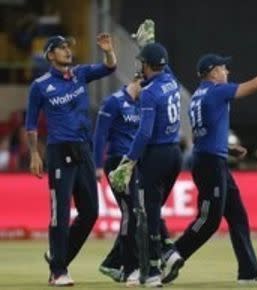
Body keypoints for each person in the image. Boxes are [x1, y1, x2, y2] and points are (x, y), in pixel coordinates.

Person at [161, 43, 257, 285]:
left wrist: (227, 147)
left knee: (238, 216)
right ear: (212, 72)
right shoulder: (216, 91)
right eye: (223, 68)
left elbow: (203, 131)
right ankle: (173, 253)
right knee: (210, 220)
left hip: (210, 158)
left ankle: (249, 272)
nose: (227, 72)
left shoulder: (198, 95)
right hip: (210, 163)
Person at [25, 33, 117, 286]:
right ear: (50, 55)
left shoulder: (80, 73)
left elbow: (110, 67)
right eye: (62, 48)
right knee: (60, 215)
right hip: (59, 151)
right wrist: (34, 153)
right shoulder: (40, 85)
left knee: (90, 212)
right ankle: (58, 271)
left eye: (68, 47)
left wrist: (108, 50)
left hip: (83, 150)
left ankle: (57, 256)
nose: (67, 51)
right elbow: (31, 125)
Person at [109, 42, 182, 287]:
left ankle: (151, 271)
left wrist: (128, 161)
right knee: (153, 210)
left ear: (147, 65)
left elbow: (144, 133)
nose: (139, 66)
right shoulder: (171, 80)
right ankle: (168, 251)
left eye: (142, 62)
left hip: (155, 156)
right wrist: (149, 42)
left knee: (145, 215)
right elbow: (163, 64)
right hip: (175, 155)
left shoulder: (149, 93)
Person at [93, 75, 142, 282]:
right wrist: (97, 165)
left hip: (134, 163)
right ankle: (130, 268)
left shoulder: (141, 105)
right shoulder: (114, 101)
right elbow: (100, 134)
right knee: (130, 212)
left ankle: (113, 263)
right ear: (138, 80)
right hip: (117, 164)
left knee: (135, 213)